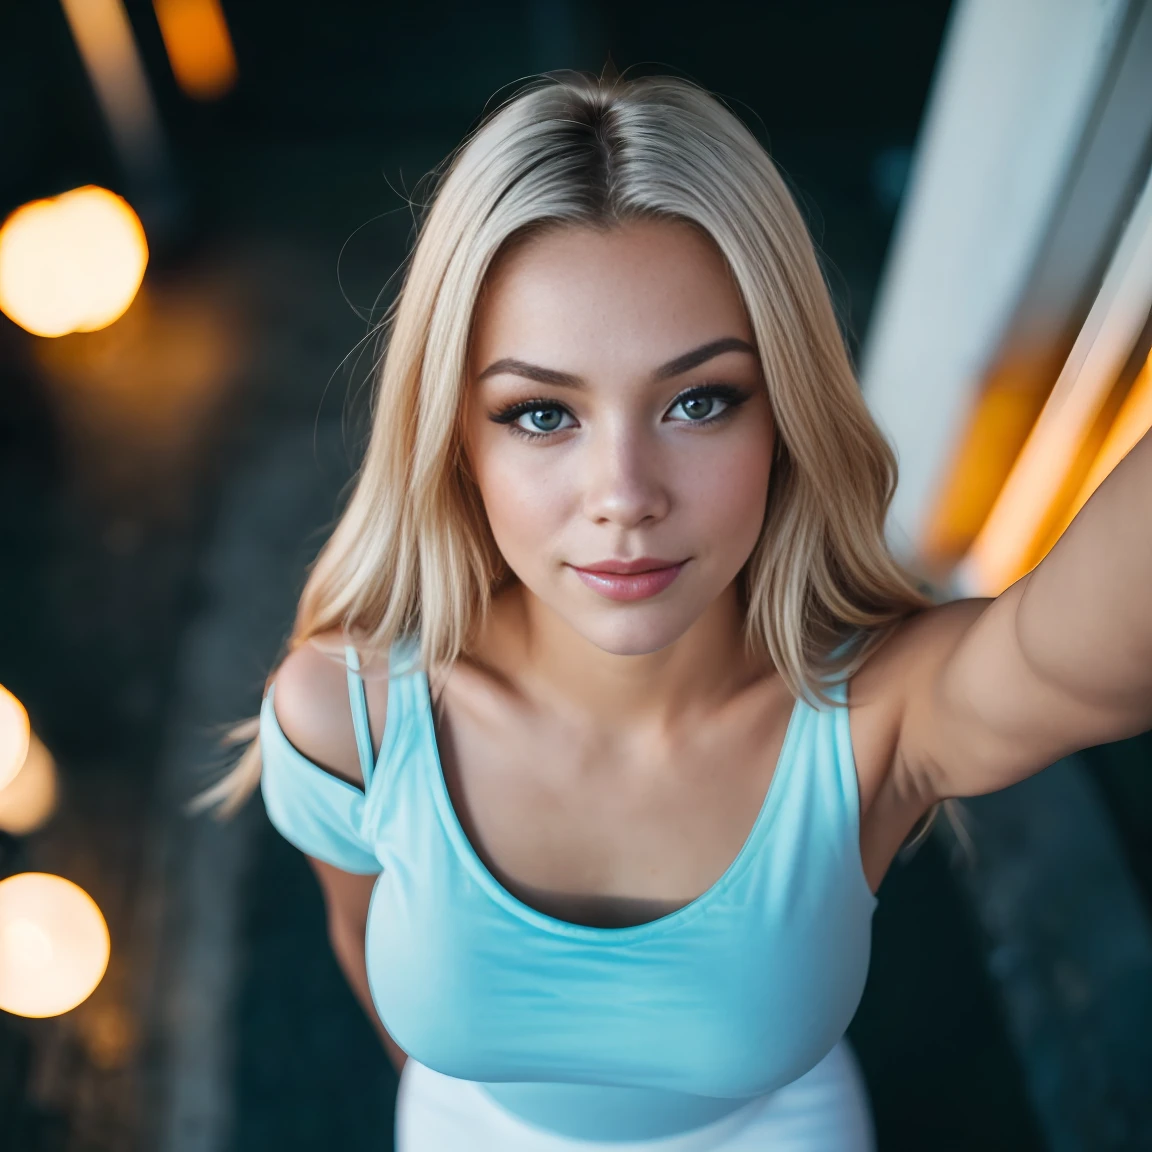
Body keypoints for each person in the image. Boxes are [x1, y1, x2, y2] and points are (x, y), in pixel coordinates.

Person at [203, 72, 1152, 1150]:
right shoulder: (343, 718)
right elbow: (358, 940)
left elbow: (1096, 649)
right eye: (542, 412)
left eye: (701, 400)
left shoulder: (879, 714)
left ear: (783, 416)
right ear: (456, 437)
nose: (625, 495)